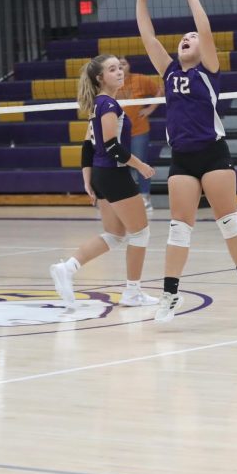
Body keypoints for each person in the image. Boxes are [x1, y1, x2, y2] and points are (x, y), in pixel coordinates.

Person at [135, 0, 237, 322]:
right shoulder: (169, 70)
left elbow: (204, 32)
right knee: (179, 228)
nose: (186, 40)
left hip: (213, 153)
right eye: (183, 38)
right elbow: (148, 38)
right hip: (183, 158)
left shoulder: (209, 70)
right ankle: (169, 295)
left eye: (191, 38)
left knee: (229, 223)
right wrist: (142, 0)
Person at [49, 55, 159, 309]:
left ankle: (67, 267)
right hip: (114, 174)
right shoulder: (108, 105)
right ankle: (132, 292)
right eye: (112, 69)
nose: (119, 72)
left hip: (102, 175)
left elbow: (88, 146)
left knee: (115, 234)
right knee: (140, 232)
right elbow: (111, 146)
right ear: (100, 78)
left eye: (119, 67)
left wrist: (88, 179)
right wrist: (140, 166)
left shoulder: (98, 105)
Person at [119, 57, 161, 217]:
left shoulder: (140, 80)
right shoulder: (109, 84)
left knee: (140, 163)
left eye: (123, 63)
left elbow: (159, 90)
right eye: (117, 65)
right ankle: (124, 198)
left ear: (129, 65)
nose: (121, 67)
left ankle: (145, 197)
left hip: (138, 130)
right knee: (120, 165)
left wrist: (150, 109)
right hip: (117, 132)